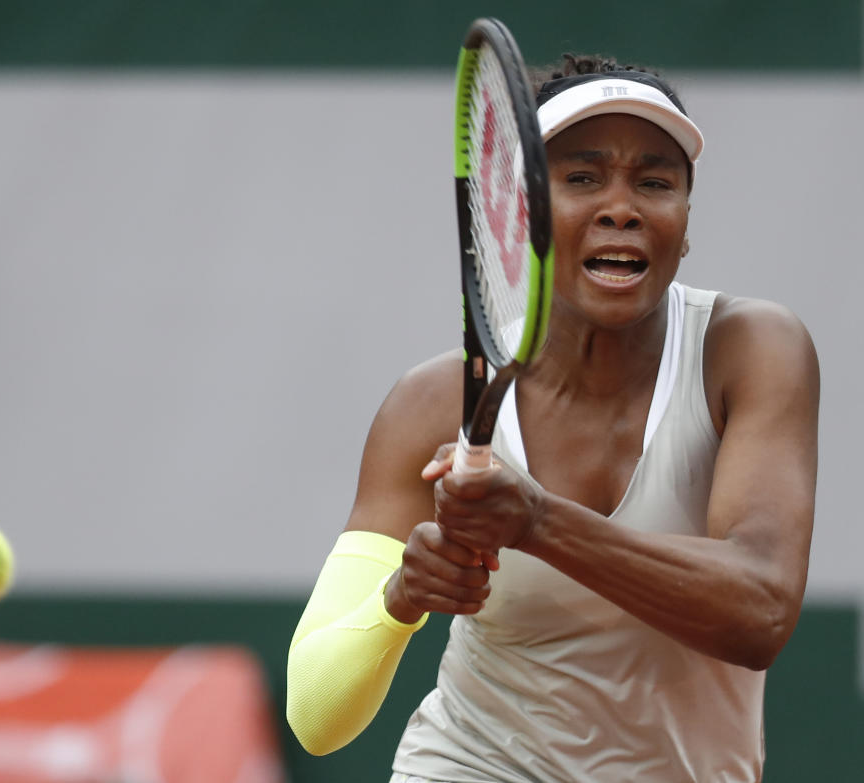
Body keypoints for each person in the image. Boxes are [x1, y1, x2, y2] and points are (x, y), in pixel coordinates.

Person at [286, 53, 819, 783]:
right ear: (518, 214)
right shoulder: (433, 401)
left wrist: (536, 522)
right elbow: (315, 717)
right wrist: (404, 595)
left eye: (655, 181)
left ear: (684, 225)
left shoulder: (749, 348)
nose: (620, 206)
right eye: (580, 177)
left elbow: (759, 611)